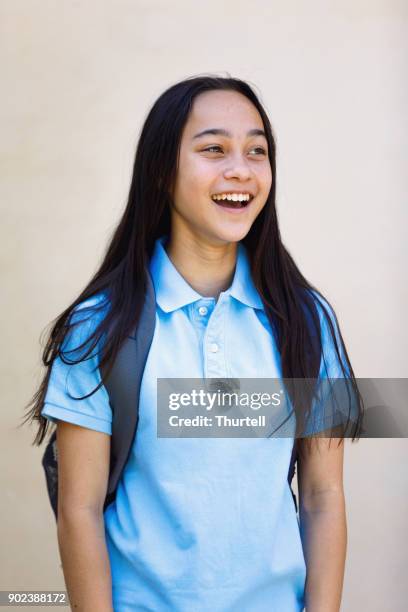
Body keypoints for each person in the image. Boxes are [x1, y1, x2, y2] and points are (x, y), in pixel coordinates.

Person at [24, 74, 362, 612]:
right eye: (214, 149)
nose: (241, 170)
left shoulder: (307, 319)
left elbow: (323, 498)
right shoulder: (99, 326)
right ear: (161, 171)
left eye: (257, 151)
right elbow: (79, 511)